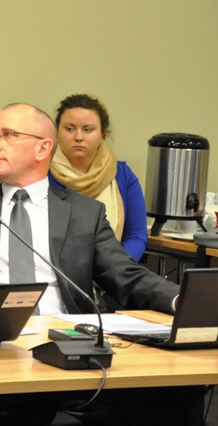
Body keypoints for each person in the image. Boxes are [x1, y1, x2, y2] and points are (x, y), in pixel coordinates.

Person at [0, 103, 179, 318]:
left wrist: (181, 299)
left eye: (8, 134)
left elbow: (125, 275)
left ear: (43, 148)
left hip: (62, 338)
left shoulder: (85, 214)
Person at [49, 94, 148, 312]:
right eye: (69, 129)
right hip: (60, 286)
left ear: (102, 133)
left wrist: (111, 272)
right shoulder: (41, 173)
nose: (78, 137)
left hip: (113, 284)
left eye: (88, 129)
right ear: (56, 132)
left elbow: (137, 235)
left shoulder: (122, 175)